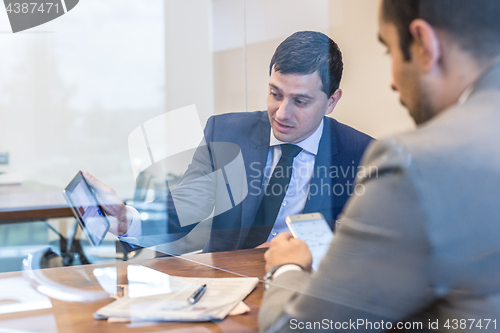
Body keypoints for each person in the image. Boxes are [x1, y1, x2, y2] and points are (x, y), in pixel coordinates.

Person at [260, 1, 500, 331]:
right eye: (276, 94)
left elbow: (295, 327)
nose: (391, 82)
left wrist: (285, 269)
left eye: (390, 52)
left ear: (423, 45)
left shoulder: (412, 163)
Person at [84, 31, 372, 253]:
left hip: (305, 295)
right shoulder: (225, 133)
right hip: (226, 285)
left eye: (300, 101)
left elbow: (366, 247)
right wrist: (127, 219)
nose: (282, 113)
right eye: (275, 94)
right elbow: (186, 205)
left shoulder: (362, 154)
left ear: (331, 101)